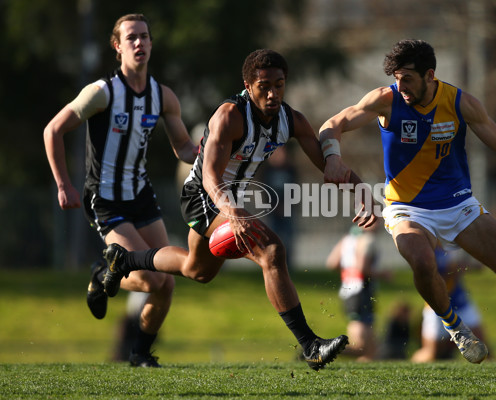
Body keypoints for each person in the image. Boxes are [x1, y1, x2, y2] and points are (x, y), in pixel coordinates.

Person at [100, 49, 377, 371]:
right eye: (264, 86)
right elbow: (209, 176)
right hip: (203, 195)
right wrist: (232, 211)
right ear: (248, 85)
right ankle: (310, 345)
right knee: (271, 250)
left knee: (197, 270)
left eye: (279, 84)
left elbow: (328, 166)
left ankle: (124, 259)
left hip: (229, 200)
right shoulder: (229, 116)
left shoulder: (292, 119)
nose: (272, 93)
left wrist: (362, 193)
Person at [318, 39, 496, 378]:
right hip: (405, 207)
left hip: (459, 204)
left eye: (407, 78)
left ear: (430, 75)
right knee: (421, 260)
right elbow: (333, 123)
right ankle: (454, 326)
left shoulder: (460, 103)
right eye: (396, 77)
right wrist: (333, 157)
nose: (400, 86)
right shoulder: (386, 100)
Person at [43, 13, 198, 367]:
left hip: (141, 197)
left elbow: (185, 149)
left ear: (152, 43)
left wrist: (214, 149)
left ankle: (140, 354)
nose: (139, 43)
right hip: (106, 199)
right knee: (148, 279)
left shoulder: (163, 96)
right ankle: (102, 272)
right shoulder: (102, 92)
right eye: (131, 38)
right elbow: (52, 130)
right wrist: (63, 185)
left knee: (167, 284)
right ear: (118, 47)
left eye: (145, 36)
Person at [326, 221, 390, 361]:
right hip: (361, 291)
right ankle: (321, 349)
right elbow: (363, 268)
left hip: (348, 290)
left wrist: (348, 274)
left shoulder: (348, 238)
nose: (380, 222)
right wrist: (383, 275)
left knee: (371, 350)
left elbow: (332, 263)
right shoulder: (367, 240)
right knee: (361, 347)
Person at [411, 246, 488, 363]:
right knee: (432, 353)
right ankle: (412, 365)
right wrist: (455, 267)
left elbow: (471, 266)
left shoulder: (452, 243)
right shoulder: (427, 247)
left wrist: (472, 265)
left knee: (482, 346)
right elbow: (429, 274)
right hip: (436, 306)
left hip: (460, 301)